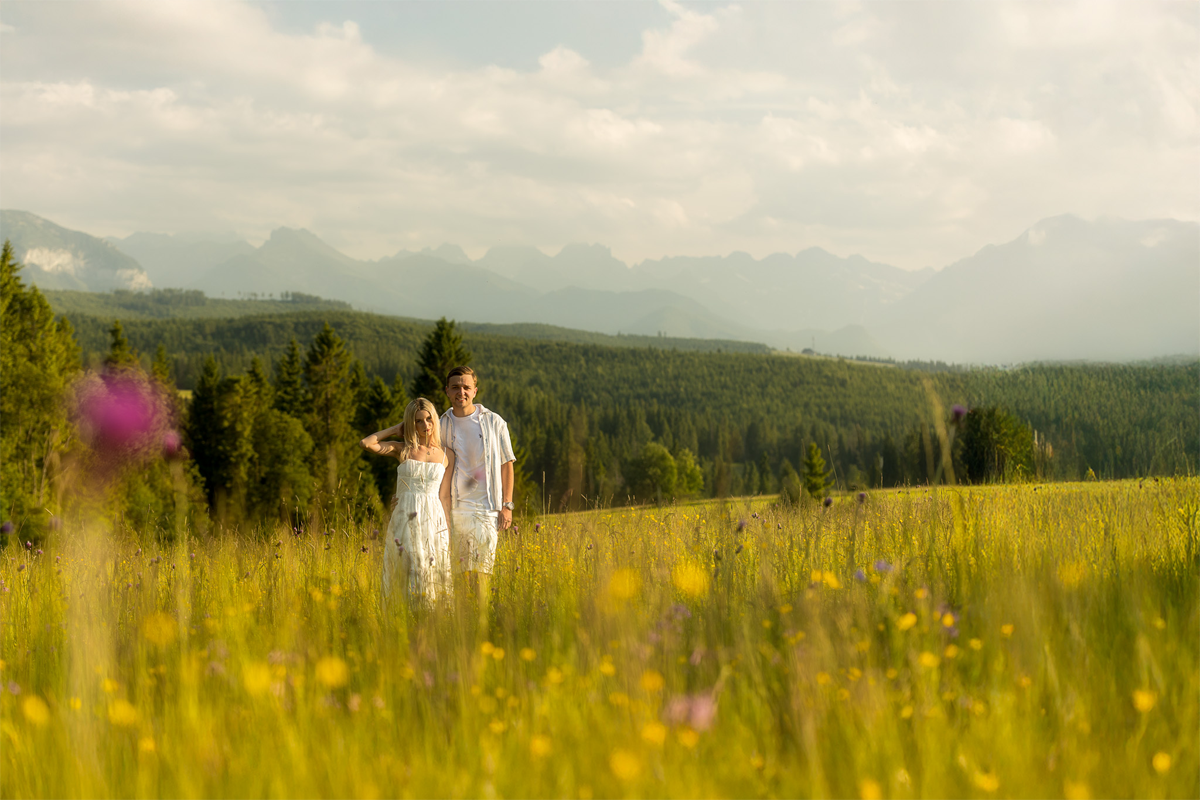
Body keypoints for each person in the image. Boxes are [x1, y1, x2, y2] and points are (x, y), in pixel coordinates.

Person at [360, 398, 455, 606]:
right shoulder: (402, 449)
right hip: (405, 514)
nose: (425, 426)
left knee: (430, 568)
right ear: (410, 423)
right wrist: (395, 429)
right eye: (418, 421)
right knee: (406, 565)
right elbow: (366, 443)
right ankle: (403, 618)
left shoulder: (446, 455)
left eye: (429, 419)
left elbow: (445, 496)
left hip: (433, 518)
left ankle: (432, 618)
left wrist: (447, 526)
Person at [439, 366, 515, 613]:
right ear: (447, 391)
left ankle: (483, 621)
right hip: (457, 510)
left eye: (466, 387)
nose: (461, 391)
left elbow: (506, 464)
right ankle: (464, 626)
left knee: (482, 573)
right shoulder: (441, 425)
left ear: (475, 390)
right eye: (455, 387)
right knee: (461, 573)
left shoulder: (494, 422)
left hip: (487, 508)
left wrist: (507, 505)